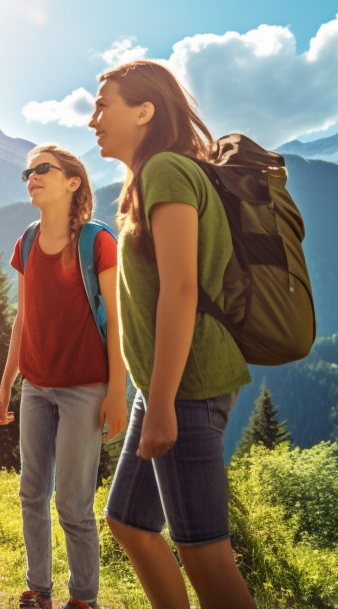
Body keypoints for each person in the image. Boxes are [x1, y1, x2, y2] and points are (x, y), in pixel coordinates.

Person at [89, 60, 256, 609]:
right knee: (130, 522)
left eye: (103, 105)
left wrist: (161, 403)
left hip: (186, 389)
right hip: (163, 388)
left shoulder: (165, 170)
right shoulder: (155, 174)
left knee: (206, 556)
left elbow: (182, 288)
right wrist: (150, 397)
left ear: (144, 110)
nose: (94, 120)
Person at [0, 145, 127, 609]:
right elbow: (22, 319)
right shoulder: (27, 241)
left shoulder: (97, 242)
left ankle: (84, 599)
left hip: (85, 389)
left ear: (73, 182)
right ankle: (39, 590)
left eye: (42, 168)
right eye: (28, 171)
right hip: (35, 386)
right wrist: (8, 383)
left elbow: (119, 322)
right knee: (31, 491)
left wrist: (117, 391)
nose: (32, 176)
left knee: (72, 502)